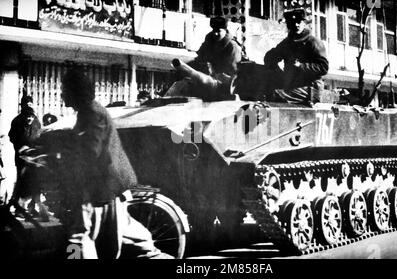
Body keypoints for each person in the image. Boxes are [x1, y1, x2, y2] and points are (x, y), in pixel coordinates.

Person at [61, 68, 168, 259]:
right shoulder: (88, 112)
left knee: (79, 238)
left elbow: (90, 151)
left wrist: (63, 153)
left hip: (102, 189)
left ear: (75, 91)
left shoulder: (93, 113)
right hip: (105, 190)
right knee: (134, 240)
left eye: (65, 89)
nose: (62, 94)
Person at [166, 16, 242, 101]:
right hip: (205, 82)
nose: (215, 33)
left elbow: (232, 73)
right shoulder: (209, 41)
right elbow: (199, 59)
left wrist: (213, 71)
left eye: (219, 31)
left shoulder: (232, 47)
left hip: (223, 86)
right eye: (214, 30)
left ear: (225, 31)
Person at [263, 9, 329, 106]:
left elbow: (324, 67)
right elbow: (270, 58)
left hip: (310, 89)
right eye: (293, 22)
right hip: (293, 86)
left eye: (299, 22)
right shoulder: (287, 43)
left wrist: (301, 66)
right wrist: (278, 73)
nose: (296, 25)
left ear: (303, 23)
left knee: (276, 95)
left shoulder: (313, 42)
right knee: (265, 91)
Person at [8, 95, 42, 216]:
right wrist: (21, 148)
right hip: (21, 157)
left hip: (34, 156)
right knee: (22, 181)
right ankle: (19, 208)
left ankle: (34, 207)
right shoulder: (17, 121)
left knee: (35, 181)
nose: (29, 118)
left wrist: (36, 149)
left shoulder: (36, 121)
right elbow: (12, 137)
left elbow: (40, 136)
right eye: (26, 104)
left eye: (31, 104)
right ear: (22, 105)